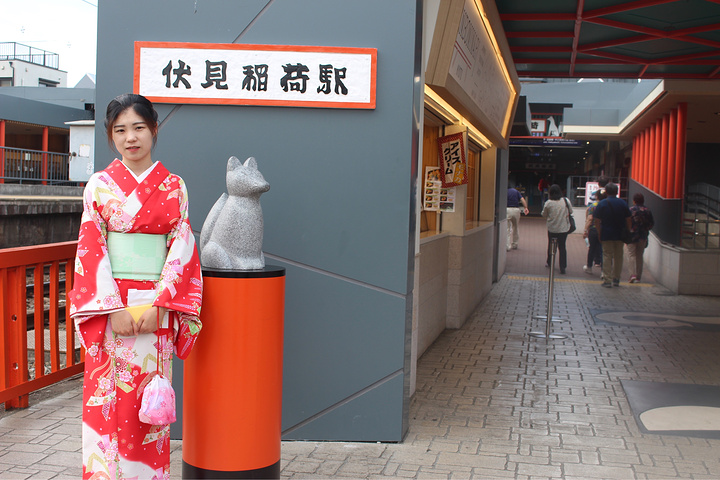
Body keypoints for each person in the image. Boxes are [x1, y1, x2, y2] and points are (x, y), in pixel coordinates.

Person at [69, 93, 203, 479]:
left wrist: (162, 303)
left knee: (149, 406)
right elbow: (90, 249)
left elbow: (182, 247)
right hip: (110, 310)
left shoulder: (174, 186)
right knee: (109, 404)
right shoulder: (99, 186)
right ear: (111, 136)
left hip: (156, 308)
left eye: (139, 128)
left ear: (154, 130)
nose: (131, 137)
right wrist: (111, 307)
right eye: (121, 130)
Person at [593, 182, 631, 287]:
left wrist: (599, 232)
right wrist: (628, 231)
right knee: (619, 256)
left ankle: (607, 279)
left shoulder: (602, 204)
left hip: (606, 233)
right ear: (617, 192)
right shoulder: (623, 203)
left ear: (606, 192)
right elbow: (628, 219)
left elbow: (596, 220)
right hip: (620, 234)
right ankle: (616, 278)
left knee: (606, 256)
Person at [541, 184, 572, 274]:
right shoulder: (566, 201)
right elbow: (571, 211)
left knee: (551, 245)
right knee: (562, 247)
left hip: (552, 228)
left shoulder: (548, 203)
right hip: (563, 229)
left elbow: (544, 214)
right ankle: (563, 267)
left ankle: (550, 262)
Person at [627, 193, 654, 283]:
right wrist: (645, 229)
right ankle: (638, 277)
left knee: (631, 255)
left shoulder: (631, 210)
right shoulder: (647, 211)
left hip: (631, 236)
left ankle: (632, 275)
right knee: (639, 256)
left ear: (634, 201)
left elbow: (627, 222)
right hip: (642, 236)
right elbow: (651, 224)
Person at [582, 187, 605, 275]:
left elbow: (590, 219)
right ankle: (604, 271)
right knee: (603, 250)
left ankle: (589, 267)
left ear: (597, 196)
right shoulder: (607, 205)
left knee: (592, 248)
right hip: (604, 230)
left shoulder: (593, 206)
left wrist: (585, 230)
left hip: (593, 230)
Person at [507, 185, 529, 251]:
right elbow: (522, 199)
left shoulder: (505, 191)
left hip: (507, 210)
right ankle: (515, 244)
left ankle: (507, 246)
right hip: (516, 210)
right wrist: (526, 207)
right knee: (515, 227)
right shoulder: (516, 191)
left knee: (507, 229)